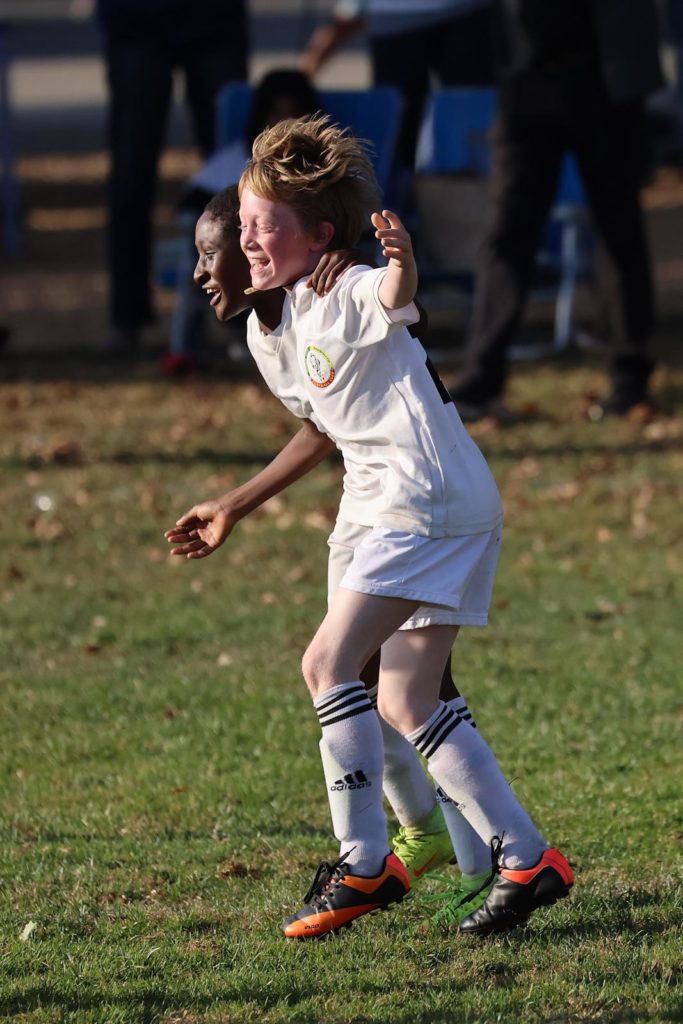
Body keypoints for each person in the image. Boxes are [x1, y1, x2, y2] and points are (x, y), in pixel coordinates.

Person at [167, 118, 574, 940]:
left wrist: (398, 258)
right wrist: (234, 504)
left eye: (262, 226)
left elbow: (389, 296)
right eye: (239, 225)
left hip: (420, 499)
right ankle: (525, 857)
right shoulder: (263, 329)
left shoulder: (342, 281)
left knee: (327, 662)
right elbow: (324, 425)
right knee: (402, 696)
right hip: (382, 501)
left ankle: (365, 861)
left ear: (318, 234)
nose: (245, 241)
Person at [450, 0, 663, 419]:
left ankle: (629, 380)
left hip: (608, 78)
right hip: (528, 80)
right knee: (508, 233)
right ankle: (481, 380)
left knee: (619, 231)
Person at [95, 0, 248, 353]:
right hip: (134, 19)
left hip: (214, 19)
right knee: (130, 172)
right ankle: (127, 320)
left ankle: (244, 312)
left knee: (237, 173)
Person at [165, 71, 323, 373]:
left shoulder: (324, 169)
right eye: (276, 112)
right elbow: (192, 202)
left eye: (294, 113)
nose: (284, 122)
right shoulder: (239, 161)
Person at [299, 0, 494, 206]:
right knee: (397, 132)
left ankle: (474, 211)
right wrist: (350, 9)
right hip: (394, 16)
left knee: (472, 123)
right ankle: (396, 209)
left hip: (465, 11)